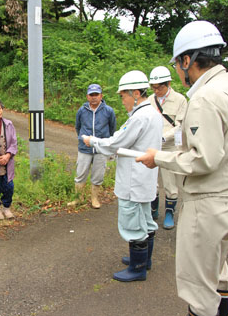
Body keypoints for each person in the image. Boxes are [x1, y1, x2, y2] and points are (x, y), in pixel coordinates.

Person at [136, 21, 228, 316]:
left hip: (208, 205)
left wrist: (159, 158)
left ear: (188, 60)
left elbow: (204, 159)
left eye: (178, 63)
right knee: (217, 275)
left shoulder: (205, 97)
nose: (178, 71)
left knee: (199, 292)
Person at [83, 71, 162, 282]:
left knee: (133, 222)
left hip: (133, 180)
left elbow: (116, 142)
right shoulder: (153, 113)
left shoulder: (139, 117)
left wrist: (93, 141)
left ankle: (138, 268)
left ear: (136, 93)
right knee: (145, 219)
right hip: (145, 179)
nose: (122, 100)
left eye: (123, 95)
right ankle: (145, 260)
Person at [148, 66, 188, 229]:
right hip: (152, 146)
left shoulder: (180, 100)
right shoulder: (150, 100)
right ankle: (153, 210)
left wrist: (165, 137)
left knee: (170, 183)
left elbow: (180, 125)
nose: (156, 90)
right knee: (151, 181)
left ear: (169, 83)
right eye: (154, 87)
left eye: (160, 87)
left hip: (170, 146)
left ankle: (170, 213)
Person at [71, 84, 116, 209]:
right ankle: (78, 198)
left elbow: (112, 128)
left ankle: (94, 198)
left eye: (96, 95)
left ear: (101, 96)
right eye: (91, 95)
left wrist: (108, 145)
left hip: (101, 148)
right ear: (87, 96)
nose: (94, 97)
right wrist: (82, 139)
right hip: (84, 148)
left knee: (98, 175)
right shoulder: (82, 110)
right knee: (80, 173)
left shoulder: (108, 111)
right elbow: (78, 127)